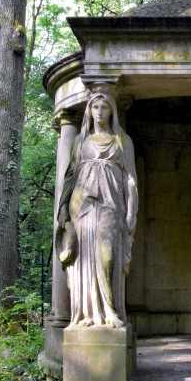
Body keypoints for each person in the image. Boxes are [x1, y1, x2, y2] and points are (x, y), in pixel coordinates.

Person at [56, 92, 138, 328]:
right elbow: (70, 176)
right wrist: (62, 209)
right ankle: (85, 314)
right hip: (81, 205)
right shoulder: (80, 141)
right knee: (84, 259)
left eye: (104, 107)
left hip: (111, 204)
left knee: (107, 255)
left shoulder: (123, 141)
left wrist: (132, 210)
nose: (99, 112)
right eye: (95, 107)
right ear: (89, 111)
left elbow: (130, 178)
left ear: (112, 111)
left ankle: (110, 310)